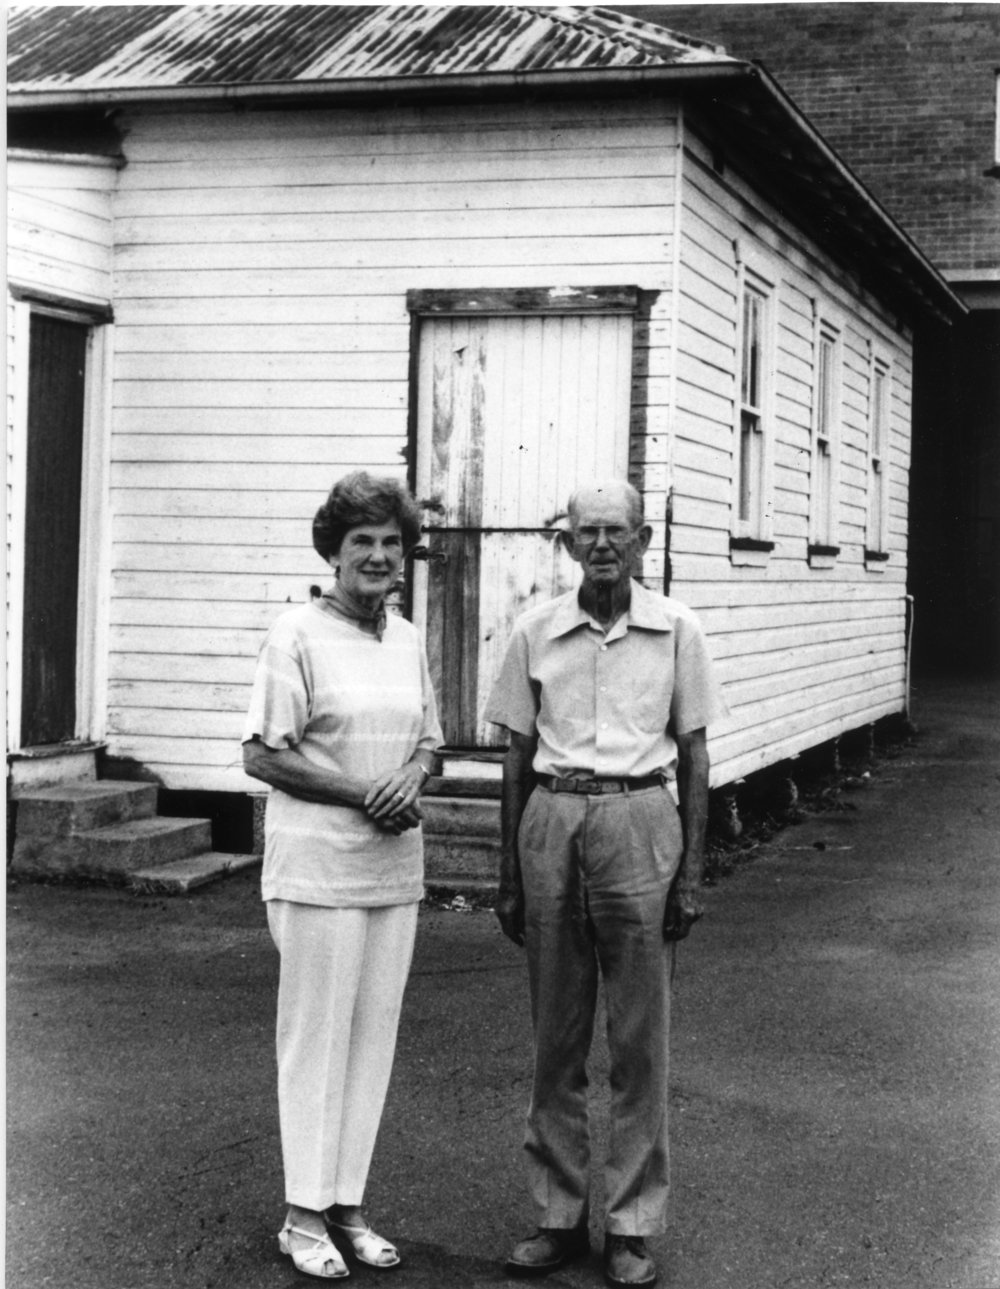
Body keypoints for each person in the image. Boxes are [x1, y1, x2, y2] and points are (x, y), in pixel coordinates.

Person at [484, 479, 728, 1288]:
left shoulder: (677, 630)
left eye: (616, 531)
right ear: (566, 543)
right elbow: (516, 758)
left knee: (638, 1042)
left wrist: (690, 873)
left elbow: (694, 754)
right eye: (585, 531)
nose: (601, 545)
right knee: (555, 1039)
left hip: (639, 822)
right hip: (553, 820)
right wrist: (510, 874)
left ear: (643, 537)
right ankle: (557, 1214)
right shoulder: (533, 631)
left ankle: (630, 1225)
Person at [243, 471, 441, 1280]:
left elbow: (430, 739)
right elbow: (261, 751)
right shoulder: (295, 633)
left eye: (392, 542)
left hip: (393, 868)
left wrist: (415, 775)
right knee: (315, 1039)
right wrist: (365, 789)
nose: (380, 556)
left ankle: (348, 1204)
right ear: (334, 549)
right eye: (362, 541)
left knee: (372, 1039)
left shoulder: (409, 637)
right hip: (318, 866)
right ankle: (300, 1214)